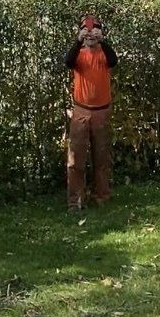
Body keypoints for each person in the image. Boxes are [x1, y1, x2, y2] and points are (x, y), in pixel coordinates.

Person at [64, 13, 118, 212]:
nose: (90, 34)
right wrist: (78, 41)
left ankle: (102, 197)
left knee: (102, 158)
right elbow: (68, 62)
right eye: (86, 30)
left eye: (94, 30)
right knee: (75, 159)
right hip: (81, 111)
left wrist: (102, 41)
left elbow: (114, 61)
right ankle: (75, 201)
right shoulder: (77, 54)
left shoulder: (104, 53)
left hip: (102, 112)